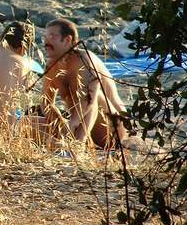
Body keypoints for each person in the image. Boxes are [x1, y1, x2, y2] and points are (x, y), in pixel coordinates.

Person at [41, 18, 127, 149]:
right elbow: (46, 101)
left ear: (68, 40)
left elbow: (89, 100)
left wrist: (73, 123)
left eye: (53, 36)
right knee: (27, 122)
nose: (47, 41)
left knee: (93, 94)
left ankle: (78, 144)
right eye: (45, 37)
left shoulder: (85, 59)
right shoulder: (52, 65)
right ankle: (71, 140)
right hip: (79, 124)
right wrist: (61, 127)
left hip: (113, 130)